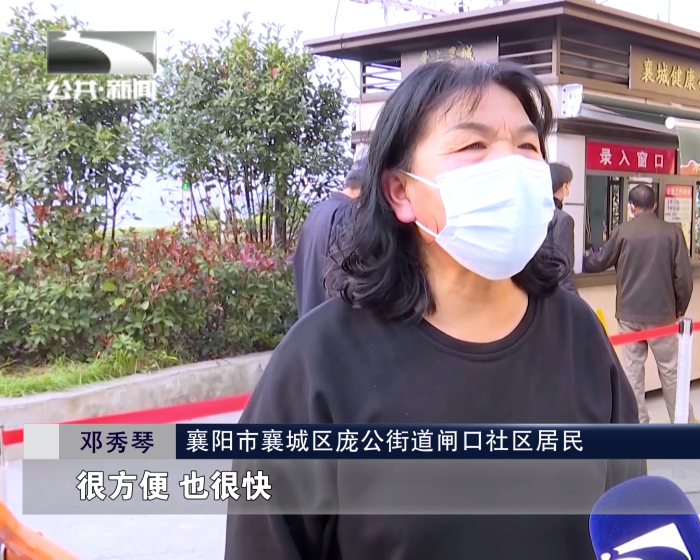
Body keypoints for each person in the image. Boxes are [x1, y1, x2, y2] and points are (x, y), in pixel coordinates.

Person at [225, 60, 644, 560]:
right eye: (474, 145)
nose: (512, 167)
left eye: (528, 147)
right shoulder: (319, 361)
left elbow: (631, 524)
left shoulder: (578, 335)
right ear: (400, 191)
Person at [583, 184, 693, 424]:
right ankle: (682, 422)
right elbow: (683, 278)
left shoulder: (623, 231)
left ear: (631, 207)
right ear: (655, 204)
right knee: (671, 371)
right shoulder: (672, 232)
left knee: (632, 372)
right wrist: (679, 308)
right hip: (662, 314)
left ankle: (637, 423)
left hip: (628, 314)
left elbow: (599, 262)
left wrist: (579, 260)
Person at [292, 164, 362, 319]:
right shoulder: (348, 216)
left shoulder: (317, 211)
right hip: (330, 324)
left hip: (308, 319)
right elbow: (343, 287)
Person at [546, 162, 577, 293]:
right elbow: (563, 270)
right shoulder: (562, 219)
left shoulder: (528, 214)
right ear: (565, 187)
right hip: (551, 294)